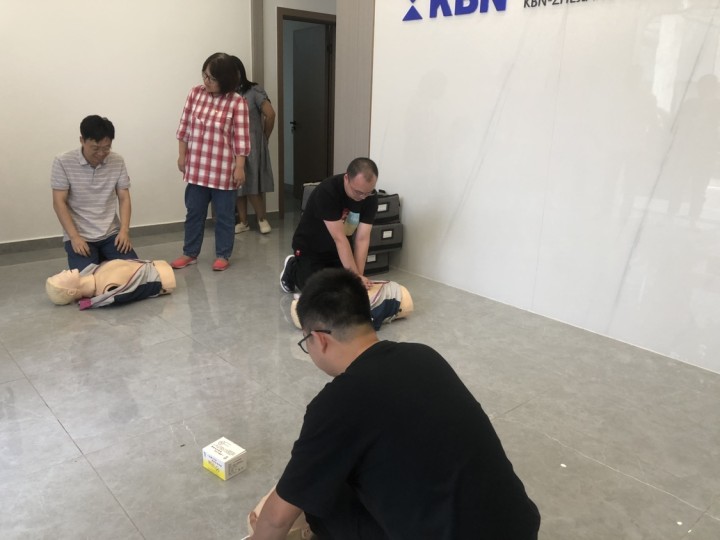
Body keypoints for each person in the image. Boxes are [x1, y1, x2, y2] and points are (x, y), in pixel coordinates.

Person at [251, 268, 541, 540]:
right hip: (520, 528)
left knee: (319, 501)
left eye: (306, 343)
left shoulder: (337, 402)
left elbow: (277, 519)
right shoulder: (424, 356)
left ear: (319, 339)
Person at [172, 52, 251, 272]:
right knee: (194, 213)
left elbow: (241, 139)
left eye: (212, 78)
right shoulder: (195, 93)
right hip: (197, 167)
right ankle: (190, 253)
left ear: (225, 80)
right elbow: (184, 127)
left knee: (224, 216)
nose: (206, 81)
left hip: (223, 170)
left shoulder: (237, 102)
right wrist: (182, 156)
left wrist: (240, 167)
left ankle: (223, 254)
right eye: (205, 75)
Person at [51, 115, 138, 270]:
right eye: (95, 148)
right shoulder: (63, 161)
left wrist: (124, 231)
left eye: (106, 148)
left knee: (134, 272)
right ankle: (103, 262)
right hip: (80, 235)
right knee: (86, 279)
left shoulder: (117, 161)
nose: (101, 153)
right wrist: (74, 237)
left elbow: (124, 197)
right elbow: (59, 202)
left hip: (111, 234)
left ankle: (105, 260)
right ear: (82, 140)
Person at [280, 158, 379, 293]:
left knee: (342, 287)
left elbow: (362, 238)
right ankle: (292, 267)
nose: (363, 197)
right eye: (358, 192)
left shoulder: (370, 197)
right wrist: (355, 277)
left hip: (338, 250)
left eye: (367, 193)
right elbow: (339, 238)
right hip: (311, 248)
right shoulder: (328, 191)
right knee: (316, 290)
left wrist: (358, 278)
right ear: (346, 178)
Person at [231, 56, 276, 235]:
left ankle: (262, 218)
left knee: (251, 184)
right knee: (236, 185)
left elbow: (270, 114)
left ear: (239, 72)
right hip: (231, 145)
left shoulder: (253, 90)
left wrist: (264, 136)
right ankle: (243, 222)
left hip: (252, 145)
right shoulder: (226, 94)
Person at [46, 259, 175, 309]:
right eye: (61, 276)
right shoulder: (107, 289)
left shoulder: (95, 272)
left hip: (157, 265)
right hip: (163, 278)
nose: (63, 271)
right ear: (71, 291)